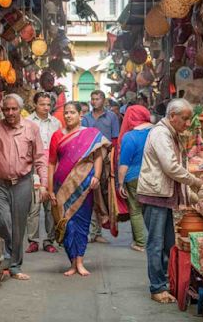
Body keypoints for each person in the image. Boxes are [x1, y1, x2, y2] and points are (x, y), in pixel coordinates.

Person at [0, 94, 48, 280]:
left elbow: (40, 158)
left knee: (18, 226)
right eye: (6, 109)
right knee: (4, 221)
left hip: (23, 182)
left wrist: (44, 183)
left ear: (20, 109)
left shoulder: (31, 128)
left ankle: (14, 266)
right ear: (1, 110)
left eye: (14, 109)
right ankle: (6, 256)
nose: (10, 113)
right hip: (0, 183)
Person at [137, 98, 203, 304]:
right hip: (155, 196)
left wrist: (192, 196)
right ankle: (157, 287)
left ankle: (167, 282)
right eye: (184, 119)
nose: (187, 123)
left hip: (164, 195)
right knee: (156, 243)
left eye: (189, 119)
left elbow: (174, 171)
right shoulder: (161, 134)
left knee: (168, 243)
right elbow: (172, 168)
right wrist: (195, 183)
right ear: (172, 116)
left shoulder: (170, 133)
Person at [48, 102, 110, 276]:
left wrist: (96, 176)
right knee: (66, 223)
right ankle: (72, 262)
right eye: (66, 113)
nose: (68, 116)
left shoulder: (91, 134)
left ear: (80, 115)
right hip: (62, 186)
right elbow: (51, 163)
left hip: (84, 185)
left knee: (82, 224)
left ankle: (80, 262)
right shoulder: (57, 136)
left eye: (72, 113)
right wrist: (50, 189)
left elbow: (98, 155)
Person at [81, 90, 120, 243]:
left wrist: (113, 163)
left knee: (102, 195)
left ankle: (98, 232)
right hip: (89, 160)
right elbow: (83, 140)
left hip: (106, 161)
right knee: (89, 195)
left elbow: (115, 141)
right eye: (92, 99)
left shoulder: (112, 117)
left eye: (97, 99)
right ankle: (90, 231)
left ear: (103, 101)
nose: (94, 101)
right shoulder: (86, 119)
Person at [26, 92, 61, 254]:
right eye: (42, 104)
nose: (46, 107)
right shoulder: (27, 122)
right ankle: (33, 241)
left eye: (48, 104)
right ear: (35, 105)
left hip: (52, 167)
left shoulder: (56, 123)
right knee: (33, 206)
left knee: (50, 206)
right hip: (33, 167)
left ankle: (49, 240)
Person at [118, 105, 153, 252]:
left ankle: (140, 243)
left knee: (136, 209)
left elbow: (124, 163)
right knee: (152, 209)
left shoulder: (130, 136)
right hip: (154, 176)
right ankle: (155, 240)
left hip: (134, 177)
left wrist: (120, 183)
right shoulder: (157, 132)